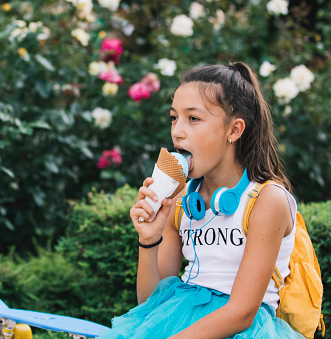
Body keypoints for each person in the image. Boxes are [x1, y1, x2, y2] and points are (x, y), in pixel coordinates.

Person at [98, 62, 305, 338]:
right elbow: (150, 305)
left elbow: (242, 312)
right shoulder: (182, 199)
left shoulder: (266, 200)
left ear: (234, 130)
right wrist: (148, 240)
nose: (177, 132)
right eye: (174, 118)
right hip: (181, 321)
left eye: (193, 119)